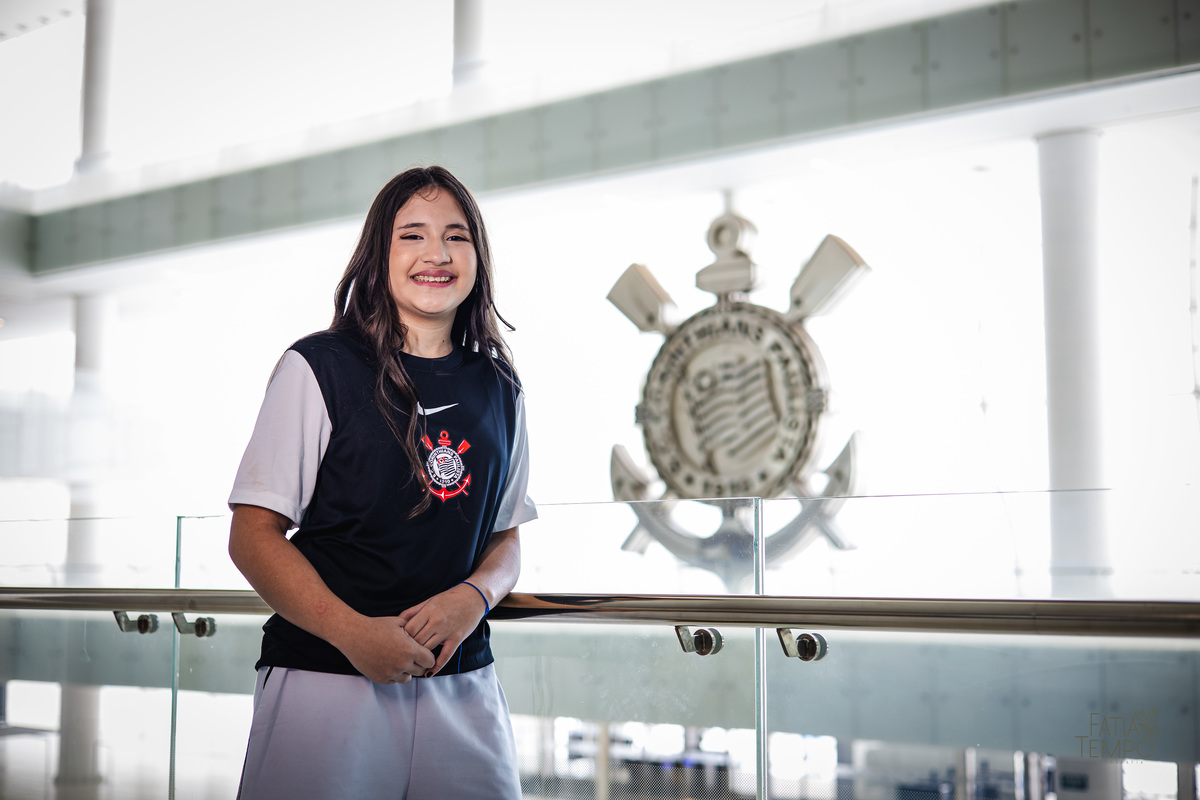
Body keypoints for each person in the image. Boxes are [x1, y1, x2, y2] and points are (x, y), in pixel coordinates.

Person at [227, 165, 536, 799]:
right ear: (378, 255)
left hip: (462, 683)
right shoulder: (317, 368)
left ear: (478, 256)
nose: (436, 254)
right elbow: (253, 536)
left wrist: (472, 598)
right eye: (411, 236)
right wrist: (353, 634)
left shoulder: (500, 388)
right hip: (325, 679)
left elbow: (506, 539)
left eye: (457, 236)